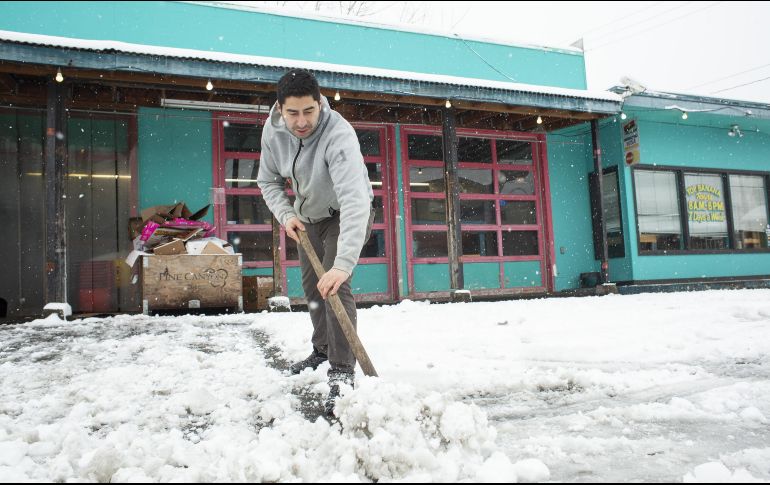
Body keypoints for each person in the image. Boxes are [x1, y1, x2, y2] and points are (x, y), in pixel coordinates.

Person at [257, 69, 374, 416]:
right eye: (293, 112)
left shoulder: (338, 135)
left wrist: (342, 264)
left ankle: (341, 369)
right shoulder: (273, 131)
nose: (302, 121)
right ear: (280, 108)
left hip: (344, 213)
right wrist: (285, 214)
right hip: (306, 219)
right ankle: (322, 350)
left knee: (334, 287)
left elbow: (355, 200)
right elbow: (267, 181)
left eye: (309, 111)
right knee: (312, 290)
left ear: (320, 103)